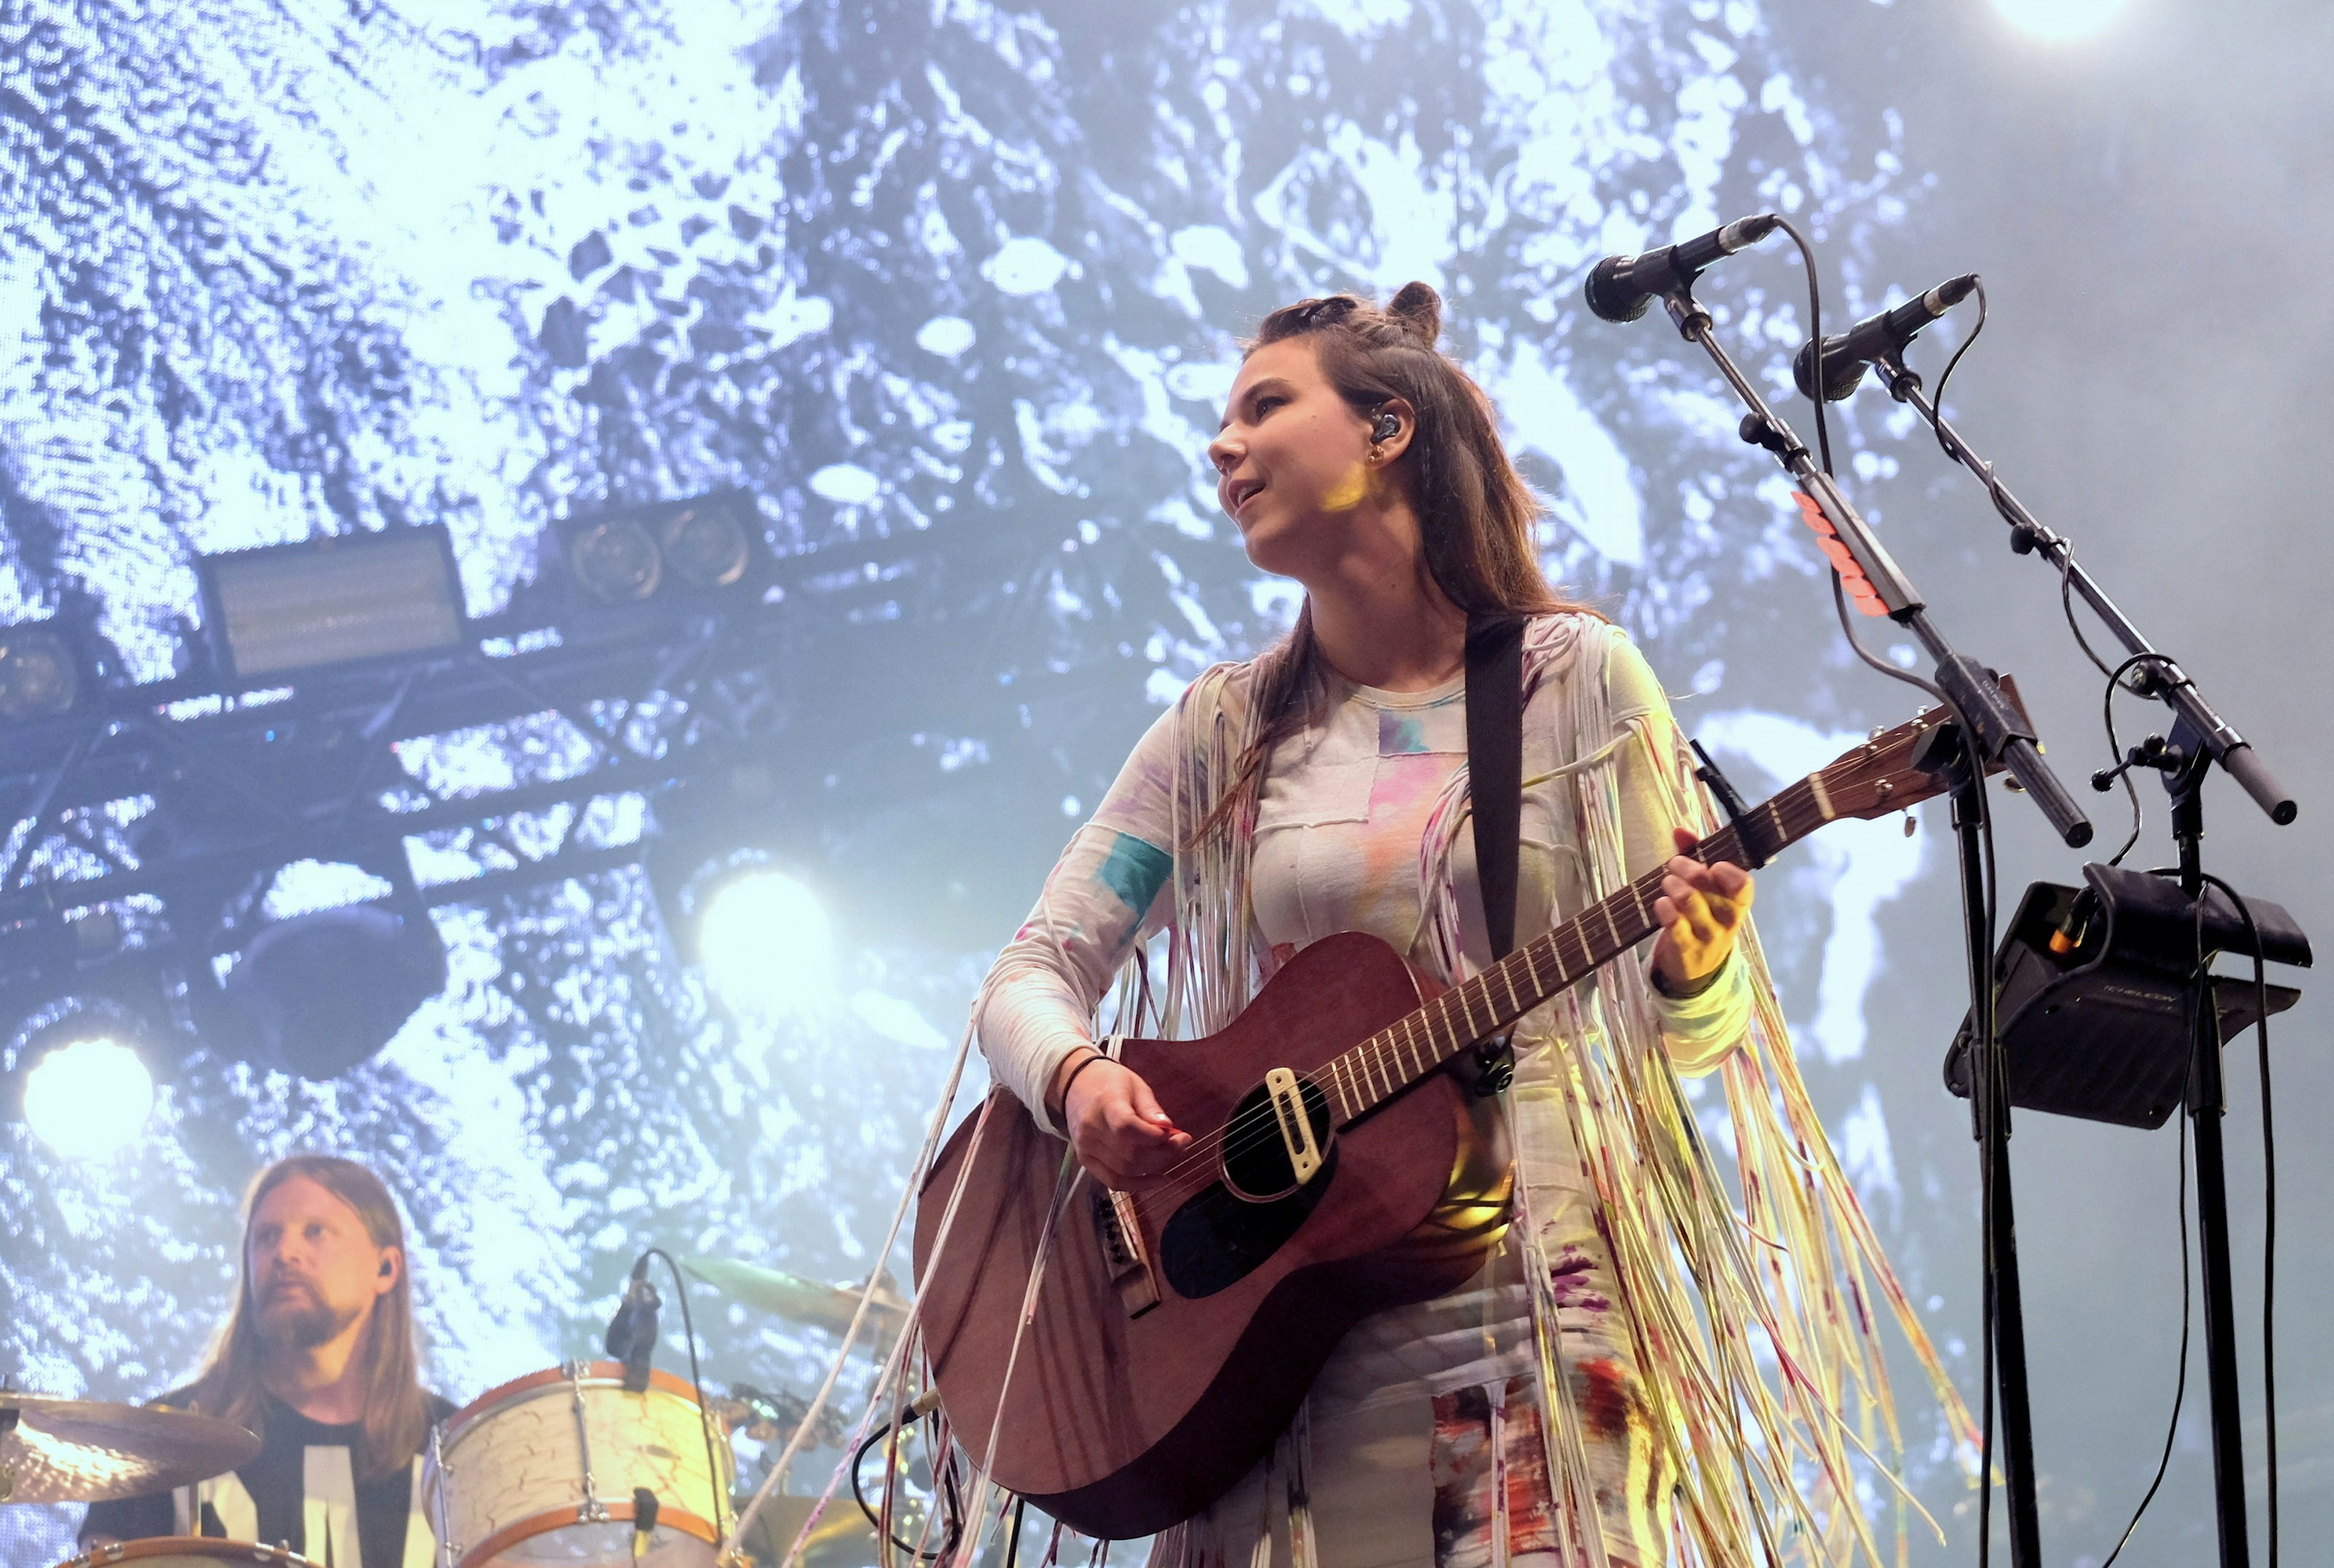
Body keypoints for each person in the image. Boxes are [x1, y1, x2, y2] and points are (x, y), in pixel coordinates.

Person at [974, 285, 1966, 1567]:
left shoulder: (1572, 679)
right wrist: (1076, 1074)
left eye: (1265, 405)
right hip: (1267, 1368)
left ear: (1388, 428)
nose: (1223, 445)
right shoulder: (1222, 731)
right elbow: (1033, 971)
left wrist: (1694, 965)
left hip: (1529, 1327)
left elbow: (1686, 1038)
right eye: (1223, 420)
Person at [81, 1155, 453, 1568]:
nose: (284, 1252)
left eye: (316, 1232)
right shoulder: (164, 1437)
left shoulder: (455, 1451)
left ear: (385, 1268)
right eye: (266, 1237)